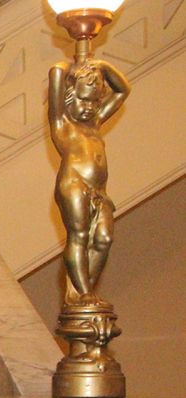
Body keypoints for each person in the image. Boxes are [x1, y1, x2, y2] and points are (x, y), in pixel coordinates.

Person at [48, 57, 130, 305]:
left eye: (94, 102)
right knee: (79, 236)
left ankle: (82, 291)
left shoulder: (94, 123)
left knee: (104, 239)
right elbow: (56, 74)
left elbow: (123, 90)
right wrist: (71, 66)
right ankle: (84, 293)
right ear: (69, 98)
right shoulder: (62, 124)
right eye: (83, 100)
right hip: (74, 184)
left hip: (99, 190)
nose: (89, 107)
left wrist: (102, 66)